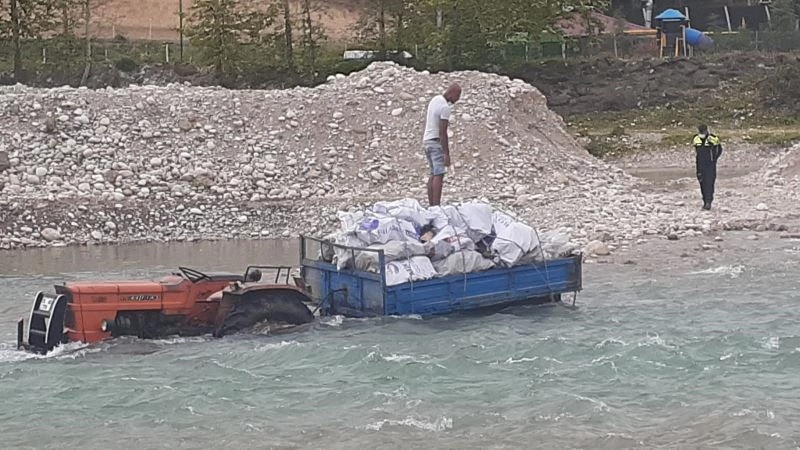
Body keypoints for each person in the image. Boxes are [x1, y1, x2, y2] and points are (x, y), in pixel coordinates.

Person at [422, 83, 462, 207]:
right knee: (439, 174)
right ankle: (436, 207)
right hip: (435, 141)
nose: (458, 99)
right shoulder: (445, 108)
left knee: (433, 173)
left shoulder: (435, 99)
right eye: (458, 96)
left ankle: (431, 206)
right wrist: (446, 153)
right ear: (452, 93)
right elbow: (442, 132)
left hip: (427, 140)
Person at [693, 124, 723, 210]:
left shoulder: (713, 138)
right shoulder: (696, 138)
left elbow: (719, 149)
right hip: (700, 164)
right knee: (702, 182)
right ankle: (704, 200)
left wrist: (714, 159)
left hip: (710, 165)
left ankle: (708, 202)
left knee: (709, 183)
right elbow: (697, 151)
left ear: (706, 130)